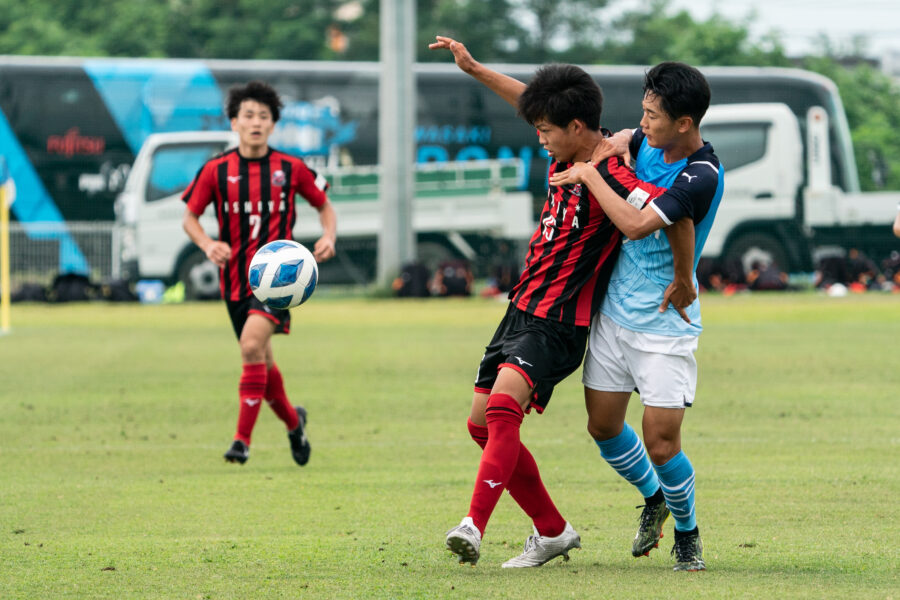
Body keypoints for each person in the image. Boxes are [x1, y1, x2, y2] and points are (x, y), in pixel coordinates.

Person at [429, 36, 687, 568]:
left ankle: (473, 524)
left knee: (503, 409)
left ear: (575, 128)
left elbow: (673, 213)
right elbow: (529, 99)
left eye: (545, 130)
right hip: (521, 308)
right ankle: (551, 530)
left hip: (560, 322)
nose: (539, 137)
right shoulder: (564, 143)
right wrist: (474, 68)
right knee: (481, 424)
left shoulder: (613, 172)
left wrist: (684, 273)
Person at [549, 62, 724, 571]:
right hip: (613, 314)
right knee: (603, 428)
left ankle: (687, 535)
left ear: (685, 122)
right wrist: (624, 135)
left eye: (652, 116)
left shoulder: (701, 174)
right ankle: (655, 498)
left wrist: (589, 173)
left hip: (666, 320)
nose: (642, 122)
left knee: (662, 443)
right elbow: (575, 122)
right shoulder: (643, 140)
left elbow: (637, 225)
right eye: (642, 113)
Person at [181, 81, 337, 466]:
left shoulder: (291, 168)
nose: (255, 122)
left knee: (250, 347)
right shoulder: (216, 170)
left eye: (263, 116)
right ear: (234, 122)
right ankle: (293, 423)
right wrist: (207, 244)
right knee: (261, 366)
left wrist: (329, 235)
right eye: (247, 115)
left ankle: (241, 441)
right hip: (234, 281)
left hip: (277, 283)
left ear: (273, 125)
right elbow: (190, 218)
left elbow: (324, 206)